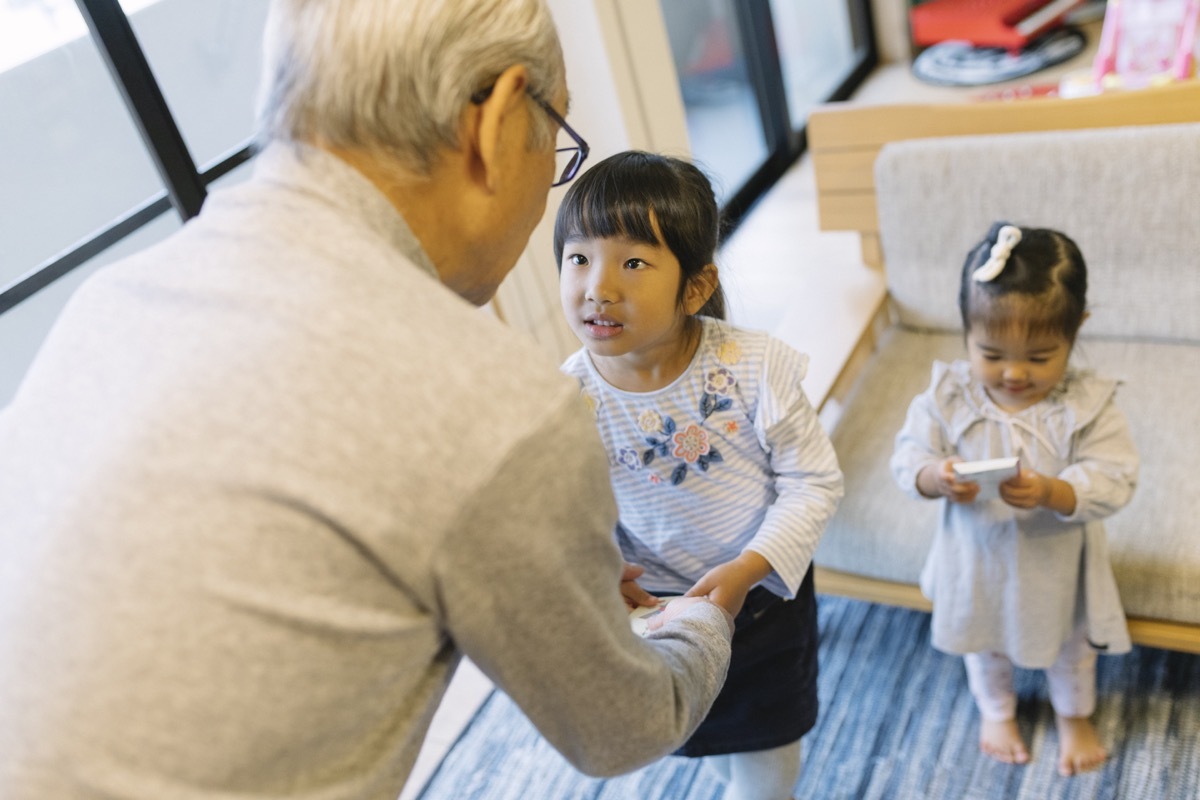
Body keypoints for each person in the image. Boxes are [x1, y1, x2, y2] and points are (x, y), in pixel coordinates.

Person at [0, 3, 736, 798]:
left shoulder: (111, 299)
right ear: (495, 121)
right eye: (556, 138)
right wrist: (703, 619)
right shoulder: (494, 407)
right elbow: (624, 725)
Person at [555, 151, 844, 800]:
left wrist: (747, 569)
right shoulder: (566, 398)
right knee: (693, 732)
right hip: (657, 611)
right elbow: (566, 510)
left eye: (633, 263)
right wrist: (599, 569)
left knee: (769, 750)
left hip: (762, 600)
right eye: (578, 258)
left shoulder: (753, 367)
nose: (598, 287)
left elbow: (814, 481)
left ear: (694, 286)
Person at [891, 222, 1139, 777]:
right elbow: (907, 457)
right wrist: (933, 475)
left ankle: (1073, 715)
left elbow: (1116, 476)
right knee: (985, 643)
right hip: (977, 559)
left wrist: (1055, 490)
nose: (1014, 372)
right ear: (965, 330)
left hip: (1057, 565)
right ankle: (997, 710)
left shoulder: (1086, 406)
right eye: (992, 352)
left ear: (1076, 331)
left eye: (1041, 355)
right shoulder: (948, 398)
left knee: (1071, 647)